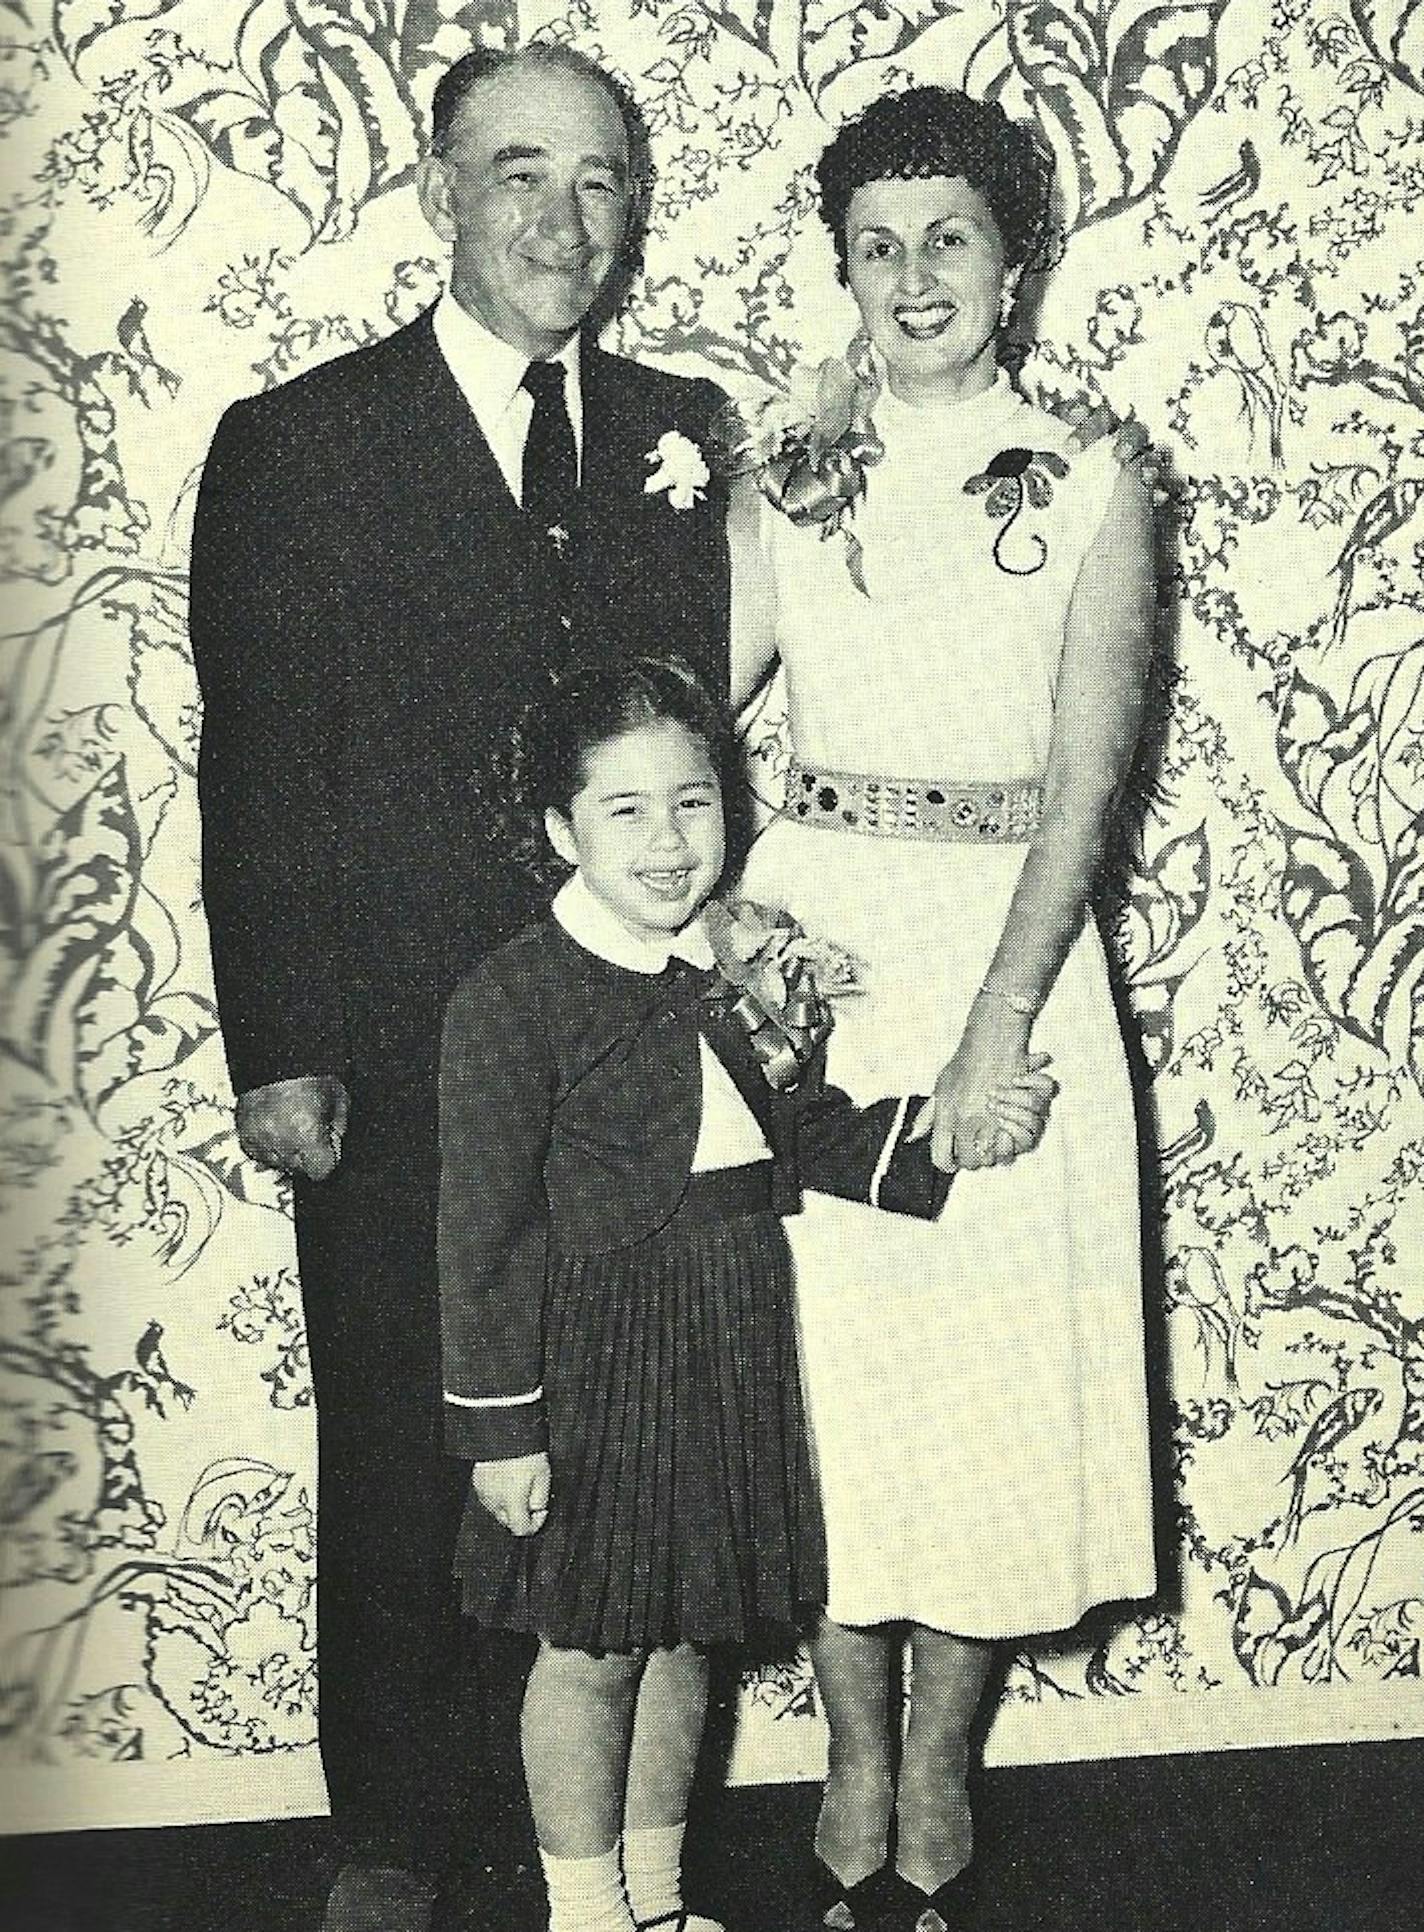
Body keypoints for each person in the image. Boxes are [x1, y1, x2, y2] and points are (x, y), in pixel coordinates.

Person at [187, 42, 731, 1932]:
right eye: (516, 173)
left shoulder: (688, 434)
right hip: (401, 1051)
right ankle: (399, 1838)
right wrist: (284, 1048)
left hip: (627, 1049)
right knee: (407, 1442)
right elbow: (256, 765)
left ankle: (585, 1847)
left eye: (596, 182)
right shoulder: (299, 439)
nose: (557, 221)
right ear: (436, 190)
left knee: (614, 1430)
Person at [435, 653, 1058, 1932]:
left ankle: (657, 1903)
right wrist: (502, 1429)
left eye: (694, 803)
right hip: (598, 1350)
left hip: (725, 1325)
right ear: (560, 829)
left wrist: (943, 1130)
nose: (668, 843)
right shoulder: (513, 995)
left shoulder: (740, 963)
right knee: (589, 1648)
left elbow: (804, 1132)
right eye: (624, 812)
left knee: (680, 1643)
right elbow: (482, 1234)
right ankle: (582, 1913)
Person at [729, 86, 1159, 1932]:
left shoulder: (1089, 482)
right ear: (839, 266)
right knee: (839, 1386)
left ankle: (935, 1769)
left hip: (1008, 959)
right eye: (875, 243)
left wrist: (996, 1025)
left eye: (948, 238)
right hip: (817, 965)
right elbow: (674, 701)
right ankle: (844, 1756)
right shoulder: (781, 476)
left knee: (981, 1387)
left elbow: (1081, 789)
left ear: (1013, 262)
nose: (911, 275)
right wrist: (724, 918)